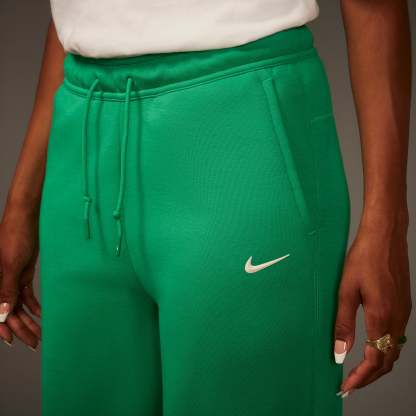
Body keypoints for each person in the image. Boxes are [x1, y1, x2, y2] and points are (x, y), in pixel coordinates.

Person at [0, 1, 412, 415]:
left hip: (239, 132)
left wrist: (387, 229)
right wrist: (21, 204)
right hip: (81, 146)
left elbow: (373, 8)